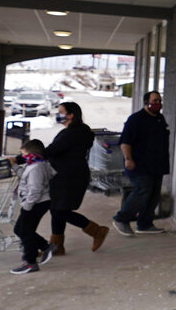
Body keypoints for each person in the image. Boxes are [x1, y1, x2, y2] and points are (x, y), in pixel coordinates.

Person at [42, 101, 109, 253]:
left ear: (71, 115)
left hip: (70, 177)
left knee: (60, 210)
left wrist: (25, 157)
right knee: (56, 209)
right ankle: (57, 246)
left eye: (61, 112)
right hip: (67, 176)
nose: (57, 115)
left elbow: (51, 150)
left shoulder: (71, 133)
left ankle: (97, 230)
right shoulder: (80, 130)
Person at [112, 90, 170, 236]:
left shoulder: (159, 118)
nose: (158, 104)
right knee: (142, 192)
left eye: (159, 101)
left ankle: (144, 224)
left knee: (153, 195)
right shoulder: (136, 119)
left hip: (157, 165)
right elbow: (125, 142)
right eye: (154, 101)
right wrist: (128, 159)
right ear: (146, 102)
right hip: (139, 165)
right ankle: (121, 219)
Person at [9, 139, 56, 275]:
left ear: (32, 153)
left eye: (24, 154)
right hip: (35, 202)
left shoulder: (37, 168)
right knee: (20, 229)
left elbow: (35, 189)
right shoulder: (34, 164)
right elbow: (24, 176)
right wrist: (14, 166)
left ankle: (30, 262)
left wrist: (28, 206)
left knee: (25, 231)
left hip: (36, 203)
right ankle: (45, 246)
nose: (22, 157)